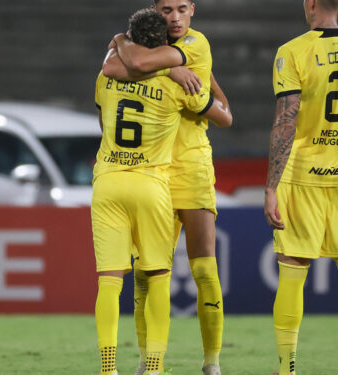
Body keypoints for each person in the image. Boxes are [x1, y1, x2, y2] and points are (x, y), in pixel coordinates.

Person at [93, 8, 232, 375]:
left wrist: (121, 41)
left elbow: (122, 69)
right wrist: (169, 70)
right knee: (146, 274)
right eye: (167, 9)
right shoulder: (148, 56)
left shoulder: (194, 44)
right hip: (153, 172)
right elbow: (130, 66)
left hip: (188, 166)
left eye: (182, 8)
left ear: (193, 10)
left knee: (203, 268)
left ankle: (211, 361)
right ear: (157, 12)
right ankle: (147, 362)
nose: (175, 16)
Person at [264, 1, 338, 374]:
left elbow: (287, 121)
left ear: (310, 3)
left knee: (292, 269)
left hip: (303, 174)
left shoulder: (293, 52)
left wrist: (271, 187)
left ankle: (286, 369)